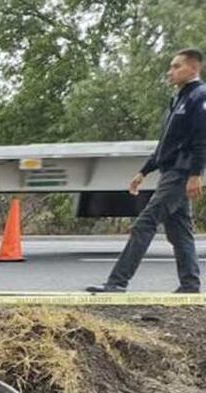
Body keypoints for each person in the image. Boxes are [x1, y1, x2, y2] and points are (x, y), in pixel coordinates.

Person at [87, 48, 206, 294]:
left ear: (194, 69)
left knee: (144, 224)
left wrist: (196, 175)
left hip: (181, 173)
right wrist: (144, 171)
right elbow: (166, 144)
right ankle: (190, 285)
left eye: (176, 66)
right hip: (169, 171)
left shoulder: (199, 97)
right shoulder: (177, 100)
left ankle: (116, 283)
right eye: (171, 66)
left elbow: (201, 139)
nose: (170, 71)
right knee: (180, 230)